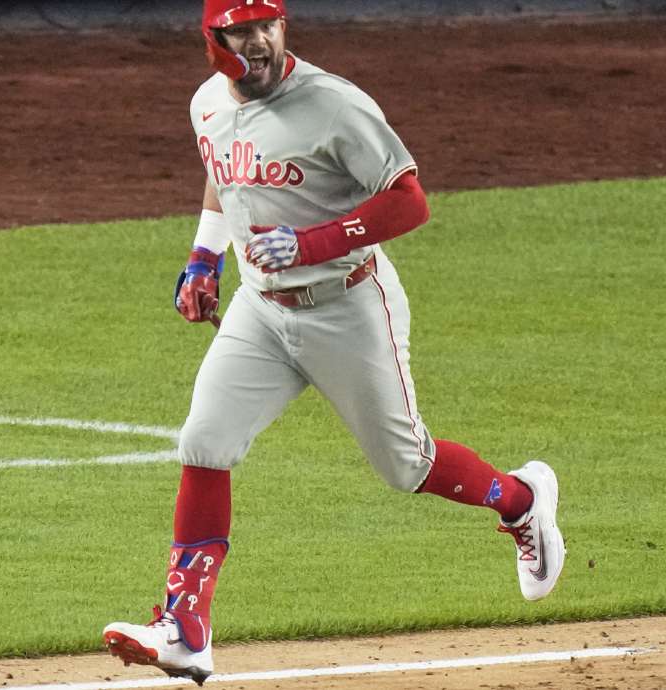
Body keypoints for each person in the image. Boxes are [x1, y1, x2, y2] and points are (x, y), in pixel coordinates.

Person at [103, 1, 565, 684]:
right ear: (214, 40)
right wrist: (205, 258)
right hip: (260, 308)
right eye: (241, 29)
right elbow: (225, 172)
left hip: (348, 307)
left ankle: (523, 501)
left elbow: (408, 199)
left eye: (269, 25)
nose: (258, 41)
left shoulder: (333, 106)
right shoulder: (207, 102)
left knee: (405, 466)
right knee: (205, 440)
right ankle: (185, 628)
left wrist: (312, 242)